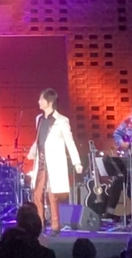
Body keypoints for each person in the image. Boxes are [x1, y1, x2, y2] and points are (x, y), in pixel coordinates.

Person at [26, 88, 83, 236]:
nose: (39, 101)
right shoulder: (39, 119)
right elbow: (39, 139)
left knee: (52, 195)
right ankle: (40, 225)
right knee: (37, 193)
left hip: (54, 163)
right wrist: (32, 151)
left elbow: (69, 142)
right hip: (41, 162)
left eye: (41, 99)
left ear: (49, 102)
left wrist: (76, 162)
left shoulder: (62, 121)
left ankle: (55, 226)